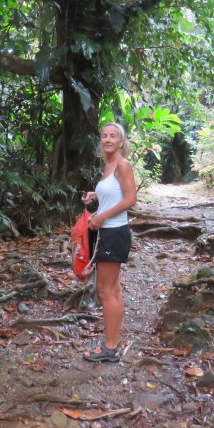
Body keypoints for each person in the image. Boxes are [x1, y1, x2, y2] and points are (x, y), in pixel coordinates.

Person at [81, 122, 137, 363]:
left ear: (121, 142)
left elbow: (131, 198)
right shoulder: (109, 166)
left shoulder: (123, 165)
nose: (108, 139)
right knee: (112, 289)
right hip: (108, 232)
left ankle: (110, 347)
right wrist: (95, 196)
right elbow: (115, 194)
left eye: (113, 136)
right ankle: (112, 343)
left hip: (114, 233)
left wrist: (101, 216)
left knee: (106, 291)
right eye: (104, 135)